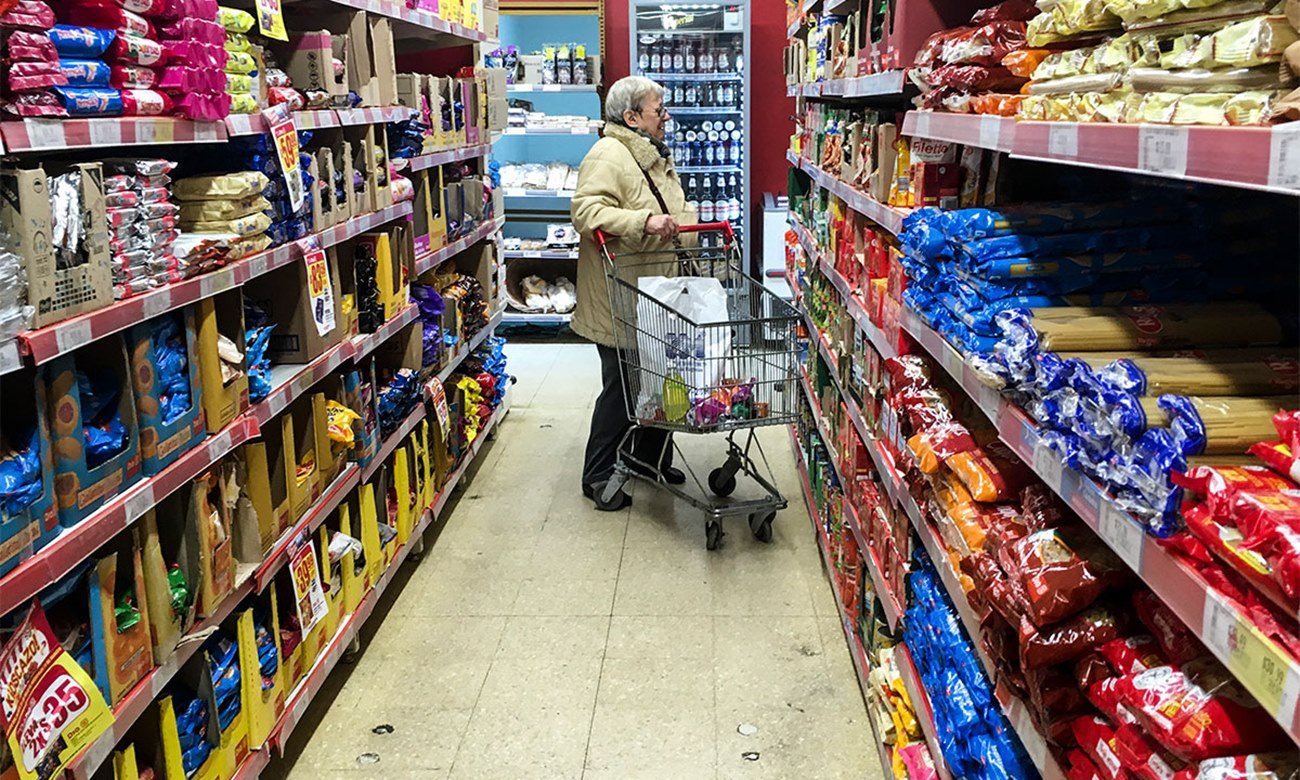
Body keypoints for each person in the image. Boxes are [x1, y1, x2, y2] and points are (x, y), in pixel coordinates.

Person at [570, 75, 696, 511]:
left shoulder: (651, 153)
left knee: (665, 379)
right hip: (620, 294)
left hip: (657, 289)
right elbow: (586, 211)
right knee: (623, 389)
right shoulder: (609, 153)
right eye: (658, 110)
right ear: (631, 117)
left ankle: (648, 461)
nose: (666, 117)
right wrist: (641, 222)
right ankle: (599, 476)